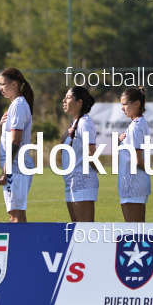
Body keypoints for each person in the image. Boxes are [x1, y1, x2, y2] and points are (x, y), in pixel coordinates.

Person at [0, 68, 34, 223]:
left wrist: (6, 171)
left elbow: (15, 141)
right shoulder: (16, 105)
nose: (0, 88)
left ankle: (22, 241)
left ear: (14, 84)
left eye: (2, 84)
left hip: (16, 168)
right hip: (16, 166)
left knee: (16, 217)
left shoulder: (18, 105)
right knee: (14, 215)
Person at [60, 86, 99, 222]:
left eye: (68, 97)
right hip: (71, 181)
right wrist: (65, 135)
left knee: (85, 229)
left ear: (79, 102)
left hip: (82, 181)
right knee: (76, 229)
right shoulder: (75, 123)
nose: (64, 100)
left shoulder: (84, 122)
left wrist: (95, 170)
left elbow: (91, 153)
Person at [117, 87, 150, 223]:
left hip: (131, 183)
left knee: (132, 230)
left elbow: (138, 160)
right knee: (139, 229)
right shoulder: (140, 122)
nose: (122, 108)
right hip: (138, 183)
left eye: (125, 104)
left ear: (137, 103)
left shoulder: (135, 126)